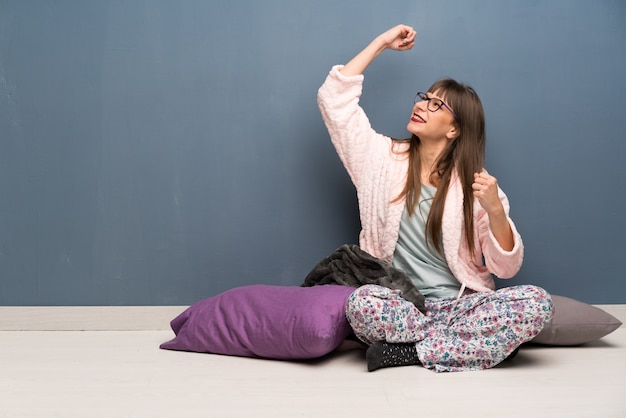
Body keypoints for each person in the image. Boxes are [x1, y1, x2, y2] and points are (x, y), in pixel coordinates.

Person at [317, 24, 553, 373]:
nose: (422, 105)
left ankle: (412, 352)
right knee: (361, 304)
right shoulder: (378, 159)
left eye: (436, 104)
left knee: (538, 303)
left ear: (454, 129)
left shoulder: (479, 187)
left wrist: (495, 212)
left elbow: (506, 268)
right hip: (399, 305)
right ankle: (471, 348)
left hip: (459, 306)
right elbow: (333, 101)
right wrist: (381, 43)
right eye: (424, 97)